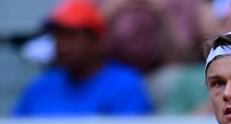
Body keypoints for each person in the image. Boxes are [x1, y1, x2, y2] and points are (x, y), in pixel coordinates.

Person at [11, 0, 152, 117]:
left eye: (70, 35)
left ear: (97, 41)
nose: (61, 44)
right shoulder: (39, 88)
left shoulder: (125, 86)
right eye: (57, 35)